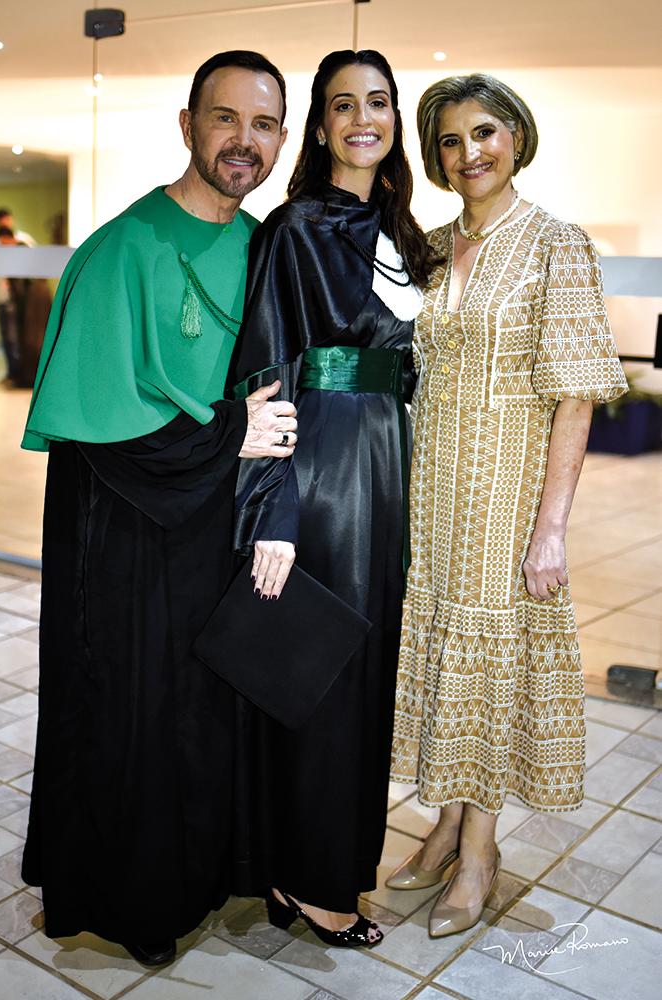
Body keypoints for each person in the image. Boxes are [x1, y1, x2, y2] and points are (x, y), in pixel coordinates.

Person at [20, 50, 295, 966]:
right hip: (128, 541)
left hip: (216, 533)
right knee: (132, 717)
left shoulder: (262, 247)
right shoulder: (123, 249)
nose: (243, 142)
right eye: (225, 119)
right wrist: (228, 436)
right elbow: (97, 432)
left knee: (201, 716)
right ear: (188, 125)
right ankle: (131, 901)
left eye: (263, 125)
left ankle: (209, 876)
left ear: (283, 139)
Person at [389, 73, 628, 938]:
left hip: (507, 491)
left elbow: (575, 397)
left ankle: (481, 852)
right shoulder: (433, 243)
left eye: (484, 133)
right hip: (433, 484)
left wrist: (551, 529)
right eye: (449, 141)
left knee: (487, 667)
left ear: (517, 138)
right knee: (444, 648)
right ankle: (444, 825)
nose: (468, 154)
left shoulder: (556, 244)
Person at [226, 49, 436, 948]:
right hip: (328, 468)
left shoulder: (405, 231)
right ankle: (311, 881)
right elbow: (266, 371)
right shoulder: (296, 227)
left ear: (395, 120)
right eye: (342, 104)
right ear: (320, 126)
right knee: (324, 673)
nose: (363, 118)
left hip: (386, 462)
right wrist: (272, 509)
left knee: (364, 672)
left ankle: (319, 863)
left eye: (378, 102)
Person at [0, 209, 36, 384]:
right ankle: (11, 372)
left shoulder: (23, 241)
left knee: (16, 336)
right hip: (0, 297)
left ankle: (20, 374)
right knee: (6, 337)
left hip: (18, 299)